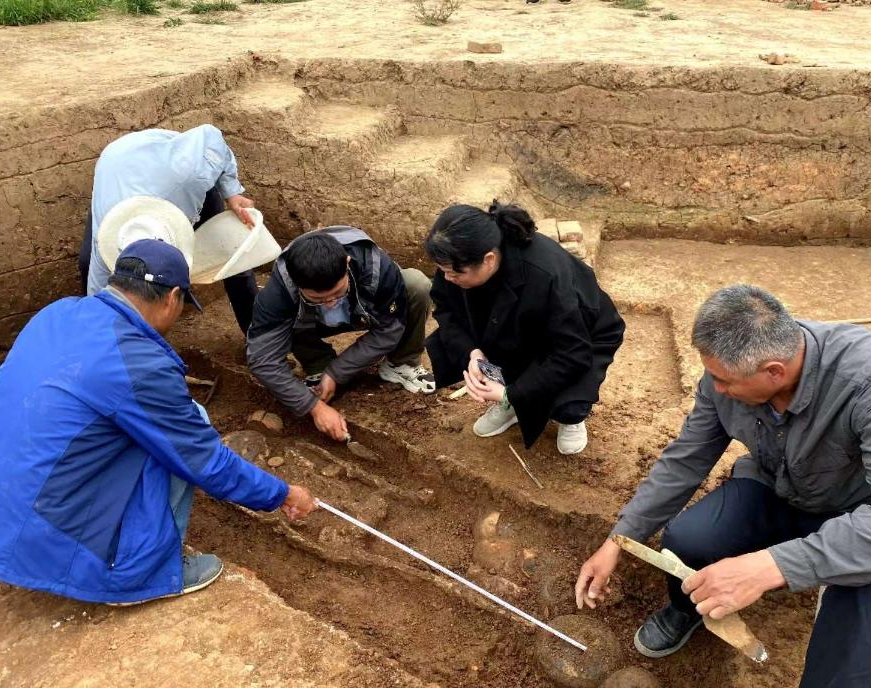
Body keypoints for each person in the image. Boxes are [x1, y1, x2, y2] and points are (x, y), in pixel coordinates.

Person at [575, 285, 871, 688]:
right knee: (688, 539)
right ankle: (688, 609)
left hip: (858, 516)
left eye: (724, 381)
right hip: (776, 489)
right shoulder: (729, 371)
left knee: (866, 603)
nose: (716, 389)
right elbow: (687, 457)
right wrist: (620, 538)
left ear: (774, 372)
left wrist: (771, 566)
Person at [0, 239, 316, 605]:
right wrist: (282, 494)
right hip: (47, 541)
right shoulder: (139, 364)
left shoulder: (58, 313)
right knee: (182, 436)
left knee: (147, 428)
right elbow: (204, 460)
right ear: (172, 297)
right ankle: (139, 572)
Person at [424, 201, 625, 455]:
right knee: (482, 349)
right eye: (443, 271)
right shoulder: (457, 259)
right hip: (518, 327)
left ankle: (570, 417)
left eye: (454, 274)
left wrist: (512, 393)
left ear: (488, 259)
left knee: (566, 401)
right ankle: (511, 406)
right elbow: (446, 309)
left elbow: (572, 352)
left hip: (582, 336)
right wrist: (472, 353)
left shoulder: (545, 275)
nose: (447, 278)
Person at [247, 226, 435, 442]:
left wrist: (337, 372)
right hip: (311, 324)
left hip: (363, 313)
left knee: (415, 284)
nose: (329, 303)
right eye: (317, 298)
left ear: (347, 264)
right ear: (295, 281)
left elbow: (389, 329)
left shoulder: (374, 266)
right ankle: (318, 364)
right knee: (279, 319)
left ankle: (400, 363)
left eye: (337, 293)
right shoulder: (279, 290)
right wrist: (313, 406)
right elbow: (263, 359)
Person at [80, 124, 259, 334]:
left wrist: (231, 192)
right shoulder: (107, 240)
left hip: (170, 165)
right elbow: (98, 296)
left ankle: (258, 336)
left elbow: (211, 138)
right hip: (116, 169)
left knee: (231, 255)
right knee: (86, 262)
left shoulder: (190, 174)